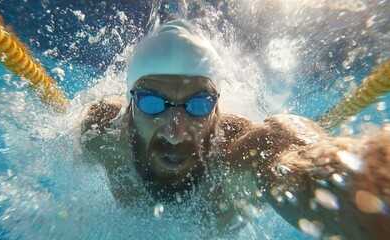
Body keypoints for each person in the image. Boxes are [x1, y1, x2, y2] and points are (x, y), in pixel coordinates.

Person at [81, 20, 390, 239]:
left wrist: (365, 196)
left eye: (198, 104)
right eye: (152, 103)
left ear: (217, 105)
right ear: (130, 103)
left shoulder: (245, 151)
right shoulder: (102, 131)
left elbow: (302, 160)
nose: (175, 131)